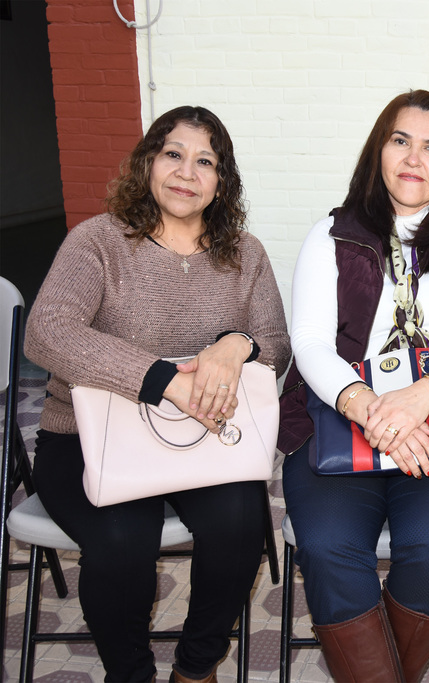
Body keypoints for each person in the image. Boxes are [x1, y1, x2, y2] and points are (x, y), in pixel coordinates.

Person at [25, 106, 290, 683]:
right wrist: (166, 382)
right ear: (147, 162)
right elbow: (47, 331)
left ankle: (195, 669)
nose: (186, 173)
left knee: (242, 523)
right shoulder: (98, 241)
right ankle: (131, 674)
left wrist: (236, 344)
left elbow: (276, 344)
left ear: (222, 181)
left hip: (206, 437)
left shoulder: (245, 252)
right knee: (122, 539)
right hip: (89, 440)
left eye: (205, 162)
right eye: (173, 154)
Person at [279, 89, 429, 682]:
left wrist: (421, 395)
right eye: (401, 141)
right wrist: (370, 408)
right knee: (328, 546)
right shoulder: (331, 235)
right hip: (338, 418)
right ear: (378, 151)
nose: (415, 158)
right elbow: (308, 342)